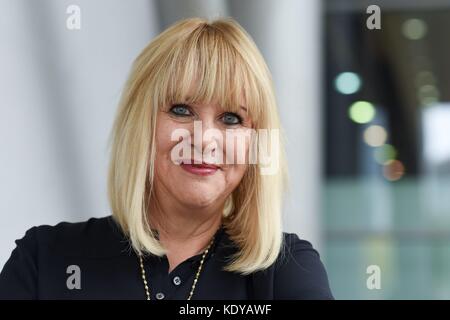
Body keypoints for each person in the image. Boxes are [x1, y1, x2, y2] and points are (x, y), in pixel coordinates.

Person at [0, 17, 333, 300]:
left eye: (231, 118)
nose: (204, 139)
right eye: (181, 110)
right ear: (140, 124)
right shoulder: (44, 260)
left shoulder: (286, 272)